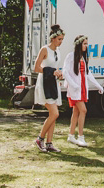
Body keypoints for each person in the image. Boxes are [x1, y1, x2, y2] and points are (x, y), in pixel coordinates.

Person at [63, 34, 104, 147]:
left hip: (82, 88)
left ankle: (71, 135)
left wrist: (98, 86)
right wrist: (73, 85)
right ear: (79, 44)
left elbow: (88, 74)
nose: (87, 46)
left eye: (87, 44)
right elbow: (65, 72)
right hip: (74, 89)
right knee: (83, 110)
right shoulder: (71, 56)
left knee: (76, 112)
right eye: (85, 43)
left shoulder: (83, 57)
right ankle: (81, 137)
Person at [33, 24, 66, 152]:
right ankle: (40, 139)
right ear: (53, 38)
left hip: (53, 83)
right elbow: (37, 68)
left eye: (62, 39)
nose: (61, 42)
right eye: (59, 39)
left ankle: (49, 143)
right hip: (44, 83)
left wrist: (58, 73)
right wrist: (51, 72)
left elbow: (55, 67)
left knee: (54, 114)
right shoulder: (44, 49)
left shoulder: (57, 51)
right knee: (54, 113)